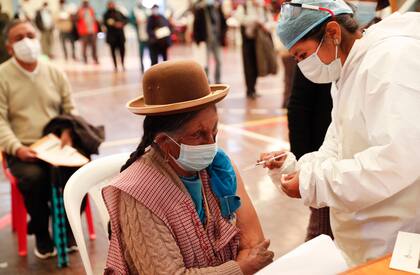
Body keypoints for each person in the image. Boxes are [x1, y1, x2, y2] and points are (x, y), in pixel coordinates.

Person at [261, 0, 420, 266]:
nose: (303, 66)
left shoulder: (390, 61)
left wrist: (314, 182)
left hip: (397, 239)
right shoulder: (349, 71)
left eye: (303, 55)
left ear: (333, 33)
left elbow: (396, 161)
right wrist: (299, 168)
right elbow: (337, 144)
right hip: (366, 237)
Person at [102, 60, 274, 274]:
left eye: (215, 131)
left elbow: (254, 244)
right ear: (165, 142)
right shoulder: (138, 194)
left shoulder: (219, 167)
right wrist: (239, 269)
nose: (211, 144)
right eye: (198, 135)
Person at [0, 19, 75, 259]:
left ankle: (67, 226)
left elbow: (69, 109)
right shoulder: (2, 76)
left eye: (30, 35)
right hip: (23, 148)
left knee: (78, 174)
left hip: (57, 144)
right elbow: (0, 120)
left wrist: (68, 132)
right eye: (19, 38)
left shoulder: (54, 71)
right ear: (9, 47)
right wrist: (17, 148)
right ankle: (42, 232)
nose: (27, 42)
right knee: (35, 179)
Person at [234, 0, 274, 99]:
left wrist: (265, 26)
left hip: (259, 42)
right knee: (248, 66)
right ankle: (250, 90)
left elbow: (270, 22)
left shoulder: (263, 8)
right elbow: (239, 19)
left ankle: (254, 89)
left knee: (257, 65)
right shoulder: (244, 7)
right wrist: (255, 20)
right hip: (248, 41)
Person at [192, 0, 227, 83]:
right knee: (205, 62)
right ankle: (206, 80)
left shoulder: (217, 8)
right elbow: (196, 24)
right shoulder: (200, 9)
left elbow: (223, 23)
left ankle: (218, 80)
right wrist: (198, 39)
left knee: (218, 61)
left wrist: (223, 36)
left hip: (216, 39)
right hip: (205, 40)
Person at [103, 1, 128, 72]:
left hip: (120, 36)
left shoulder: (119, 12)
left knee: (122, 51)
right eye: (110, 5)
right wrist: (114, 24)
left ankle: (123, 64)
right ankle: (115, 66)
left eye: (112, 4)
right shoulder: (106, 14)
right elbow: (105, 23)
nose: (111, 6)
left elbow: (126, 19)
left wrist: (121, 24)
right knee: (113, 52)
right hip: (112, 37)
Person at [76, 0, 99, 64]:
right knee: (84, 47)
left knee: (94, 46)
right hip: (84, 32)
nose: (86, 4)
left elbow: (94, 19)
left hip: (92, 31)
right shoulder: (79, 10)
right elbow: (76, 19)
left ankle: (95, 58)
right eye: (85, 3)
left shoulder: (91, 9)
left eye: (87, 3)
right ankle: (85, 59)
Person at [130, 0, 149, 73]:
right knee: (141, 52)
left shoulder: (146, 10)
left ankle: (152, 67)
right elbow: (131, 20)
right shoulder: (134, 11)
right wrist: (136, 22)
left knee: (151, 52)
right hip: (140, 34)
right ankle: (142, 67)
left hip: (148, 34)